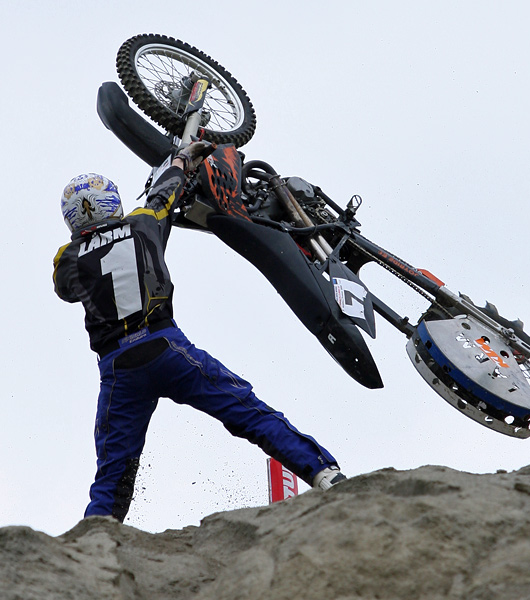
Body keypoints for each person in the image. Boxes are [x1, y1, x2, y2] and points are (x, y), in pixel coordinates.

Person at [53, 142, 345, 522]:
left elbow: (64, 290)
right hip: (165, 347)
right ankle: (324, 473)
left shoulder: (66, 259)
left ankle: (96, 536)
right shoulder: (142, 223)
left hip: (119, 370)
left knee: (114, 471)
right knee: (245, 410)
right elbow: (164, 195)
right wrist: (180, 161)